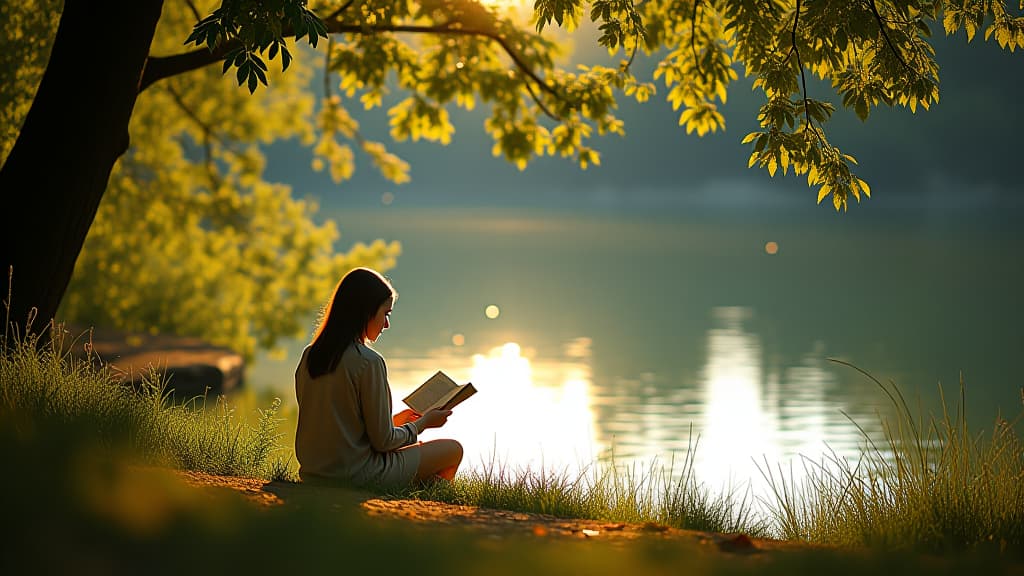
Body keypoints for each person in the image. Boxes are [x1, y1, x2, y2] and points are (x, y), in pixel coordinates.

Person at [294, 267, 463, 489]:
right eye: (386, 314)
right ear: (365, 312)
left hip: (315, 474)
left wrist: (397, 422)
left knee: (418, 454)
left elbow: (343, 430)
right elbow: (383, 442)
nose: (386, 324)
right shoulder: (369, 362)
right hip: (359, 475)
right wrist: (423, 423)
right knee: (452, 450)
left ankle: (413, 492)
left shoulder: (310, 355)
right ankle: (416, 498)